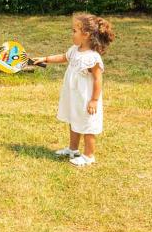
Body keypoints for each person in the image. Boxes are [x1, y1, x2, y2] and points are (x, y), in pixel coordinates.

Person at [33, 13, 115, 167]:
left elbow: (98, 80)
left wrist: (94, 100)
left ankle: (89, 156)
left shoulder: (93, 58)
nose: (72, 33)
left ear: (86, 35)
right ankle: (73, 149)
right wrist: (45, 59)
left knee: (88, 125)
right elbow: (63, 57)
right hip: (74, 97)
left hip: (86, 99)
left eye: (74, 31)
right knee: (74, 121)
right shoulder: (75, 50)